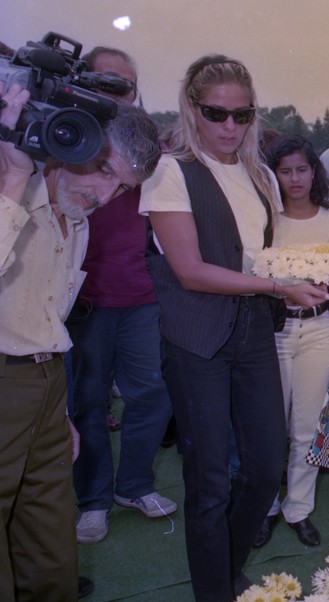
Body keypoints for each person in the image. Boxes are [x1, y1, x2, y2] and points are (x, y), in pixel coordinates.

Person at [140, 55, 328, 602]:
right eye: (216, 113)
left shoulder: (260, 174)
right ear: (192, 108)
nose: (229, 126)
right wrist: (277, 287)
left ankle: (225, 572)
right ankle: (214, 598)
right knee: (209, 482)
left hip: (252, 332)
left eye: (241, 114)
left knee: (266, 468)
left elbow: (263, 257)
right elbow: (190, 271)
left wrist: (309, 273)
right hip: (196, 337)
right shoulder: (169, 171)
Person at [1, 81, 161, 602]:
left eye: (123, 187)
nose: (106, 196)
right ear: (74, 136)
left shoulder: (77, 222)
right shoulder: (11, 189)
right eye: (106, 171)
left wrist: (59, 412)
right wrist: (14, 178)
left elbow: (46, 322)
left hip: (47, 387)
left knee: (51, 556)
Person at [62, 46, 176, 547]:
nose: (116, 92)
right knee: (86, 402)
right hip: (81, 301)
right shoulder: (66, 140)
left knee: (151, 394)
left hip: (141, 296)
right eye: (105, 81)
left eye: (125, 84)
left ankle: (135, 485)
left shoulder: (149, 150)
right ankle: (93, 500)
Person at [252, 134, 329, 549]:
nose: (294, 179)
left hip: (318, 331)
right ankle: (264, 508)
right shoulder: (265, 220)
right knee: (268, 427)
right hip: (271, 331)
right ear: (273, 175)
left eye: (301, 169)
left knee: (308, 425)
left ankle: (298, 509)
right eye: (285, 171)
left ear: (314, 171)